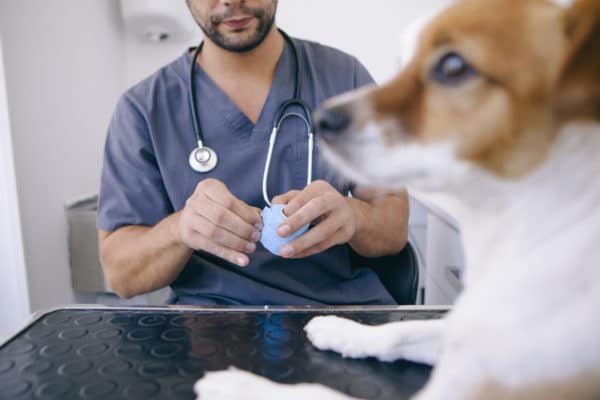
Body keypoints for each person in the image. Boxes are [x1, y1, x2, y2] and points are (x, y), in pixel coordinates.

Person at [97, 0, 410, 306]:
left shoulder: (345, 79)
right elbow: (121, 276)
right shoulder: (143, 109)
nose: (232, 1)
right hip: (205, 329)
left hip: (333, 314)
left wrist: (353, 216)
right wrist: (179, 230)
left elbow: (394, 227)